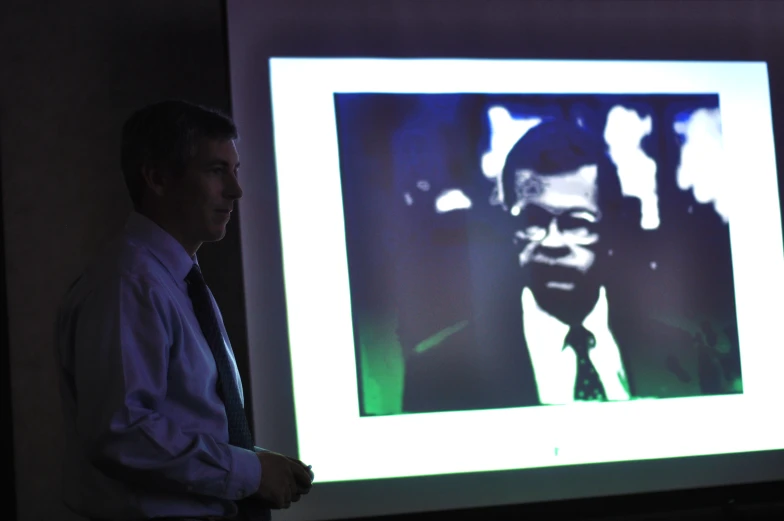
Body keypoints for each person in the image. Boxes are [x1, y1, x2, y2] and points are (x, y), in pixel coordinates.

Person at [54, 100, 313, 521]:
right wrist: (248, 470)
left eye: (236, 170)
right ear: (156, 177)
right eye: (216, 171)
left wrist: (258, 463)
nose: (236, 190)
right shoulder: (130, 283)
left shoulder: (175, 277)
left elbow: (176, 421)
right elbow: (122, 433)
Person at [401, 119, 739, 413]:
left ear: (610, 228)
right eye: (533, 219)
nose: (552, 242)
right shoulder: (438, 373)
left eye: (576, 222)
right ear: (508, 228)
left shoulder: (687, 356)